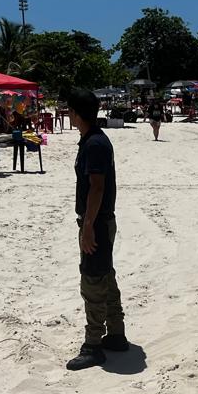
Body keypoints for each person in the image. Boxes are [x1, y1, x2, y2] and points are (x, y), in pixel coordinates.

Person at [65, 88, 129, 371]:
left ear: (77, 114)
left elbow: (97, 187)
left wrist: (88, 226)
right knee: (106, 276)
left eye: (70, 111)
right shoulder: (92, 141)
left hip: (98, 221)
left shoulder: (94, 144)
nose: (69, 115)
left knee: (92, 280)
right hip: (99, 220)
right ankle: (116, 334)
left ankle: (93, 345)